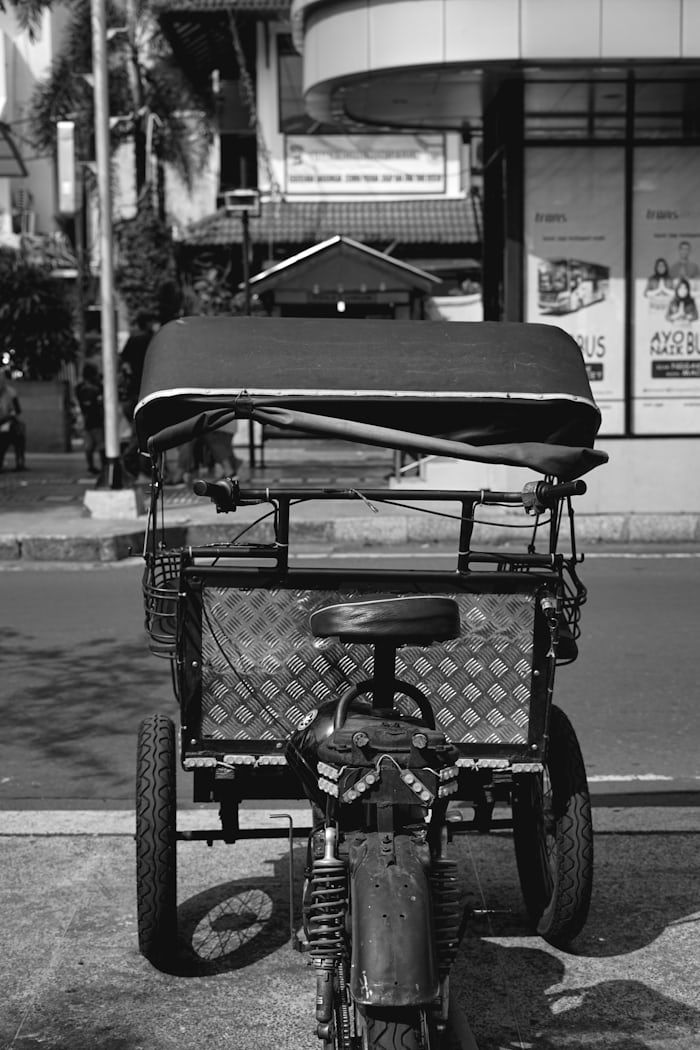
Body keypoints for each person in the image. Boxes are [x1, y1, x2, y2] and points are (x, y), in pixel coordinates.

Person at [75, 362, 105, 475]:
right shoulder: (95, 388)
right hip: (96, 419)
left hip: (87, 419)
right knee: (100, 444)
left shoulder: (80, 387)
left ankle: (91, 466)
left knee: (90, 445)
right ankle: (102, 466)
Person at [0, 370, 26, 472]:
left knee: (15, 433)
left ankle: (19, 462)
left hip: (7, 421)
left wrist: (10, 416)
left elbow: (17, 410)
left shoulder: (10, 392)